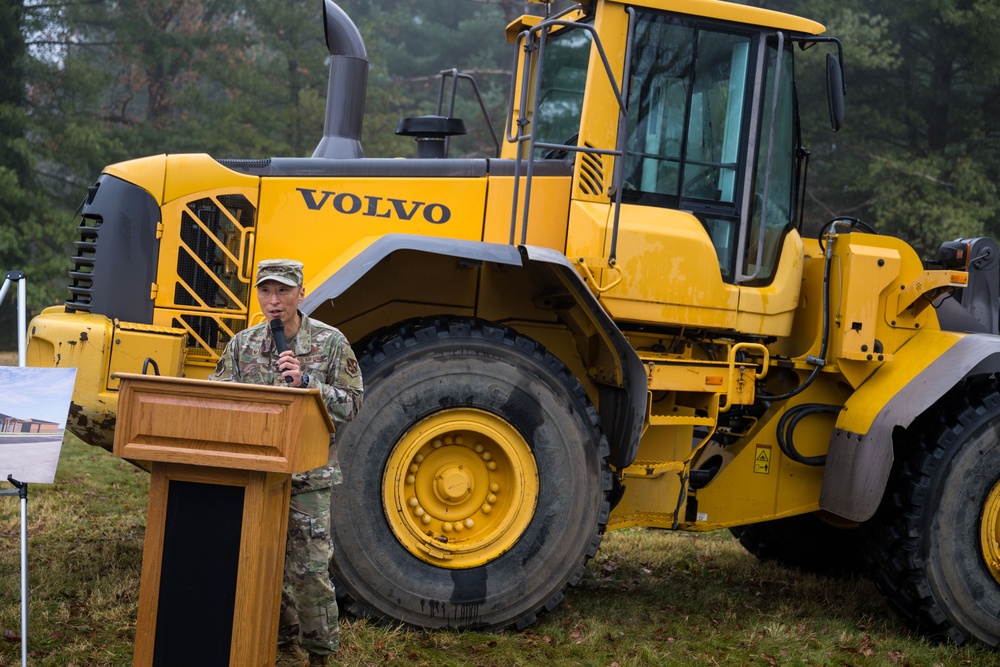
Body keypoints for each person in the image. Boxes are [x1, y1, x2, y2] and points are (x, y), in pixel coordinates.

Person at [209, 258, 363, 666]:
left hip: (308, 477)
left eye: (282, 291)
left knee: (310, 572)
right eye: (265, 291)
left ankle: (319, 655)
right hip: (255, 476)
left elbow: (353, 404)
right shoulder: (242, 345)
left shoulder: (330, 343)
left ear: (301, 293)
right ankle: (273, 641)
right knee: (258, 566)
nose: (273, 301)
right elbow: (218, 401)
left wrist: (309, 384)